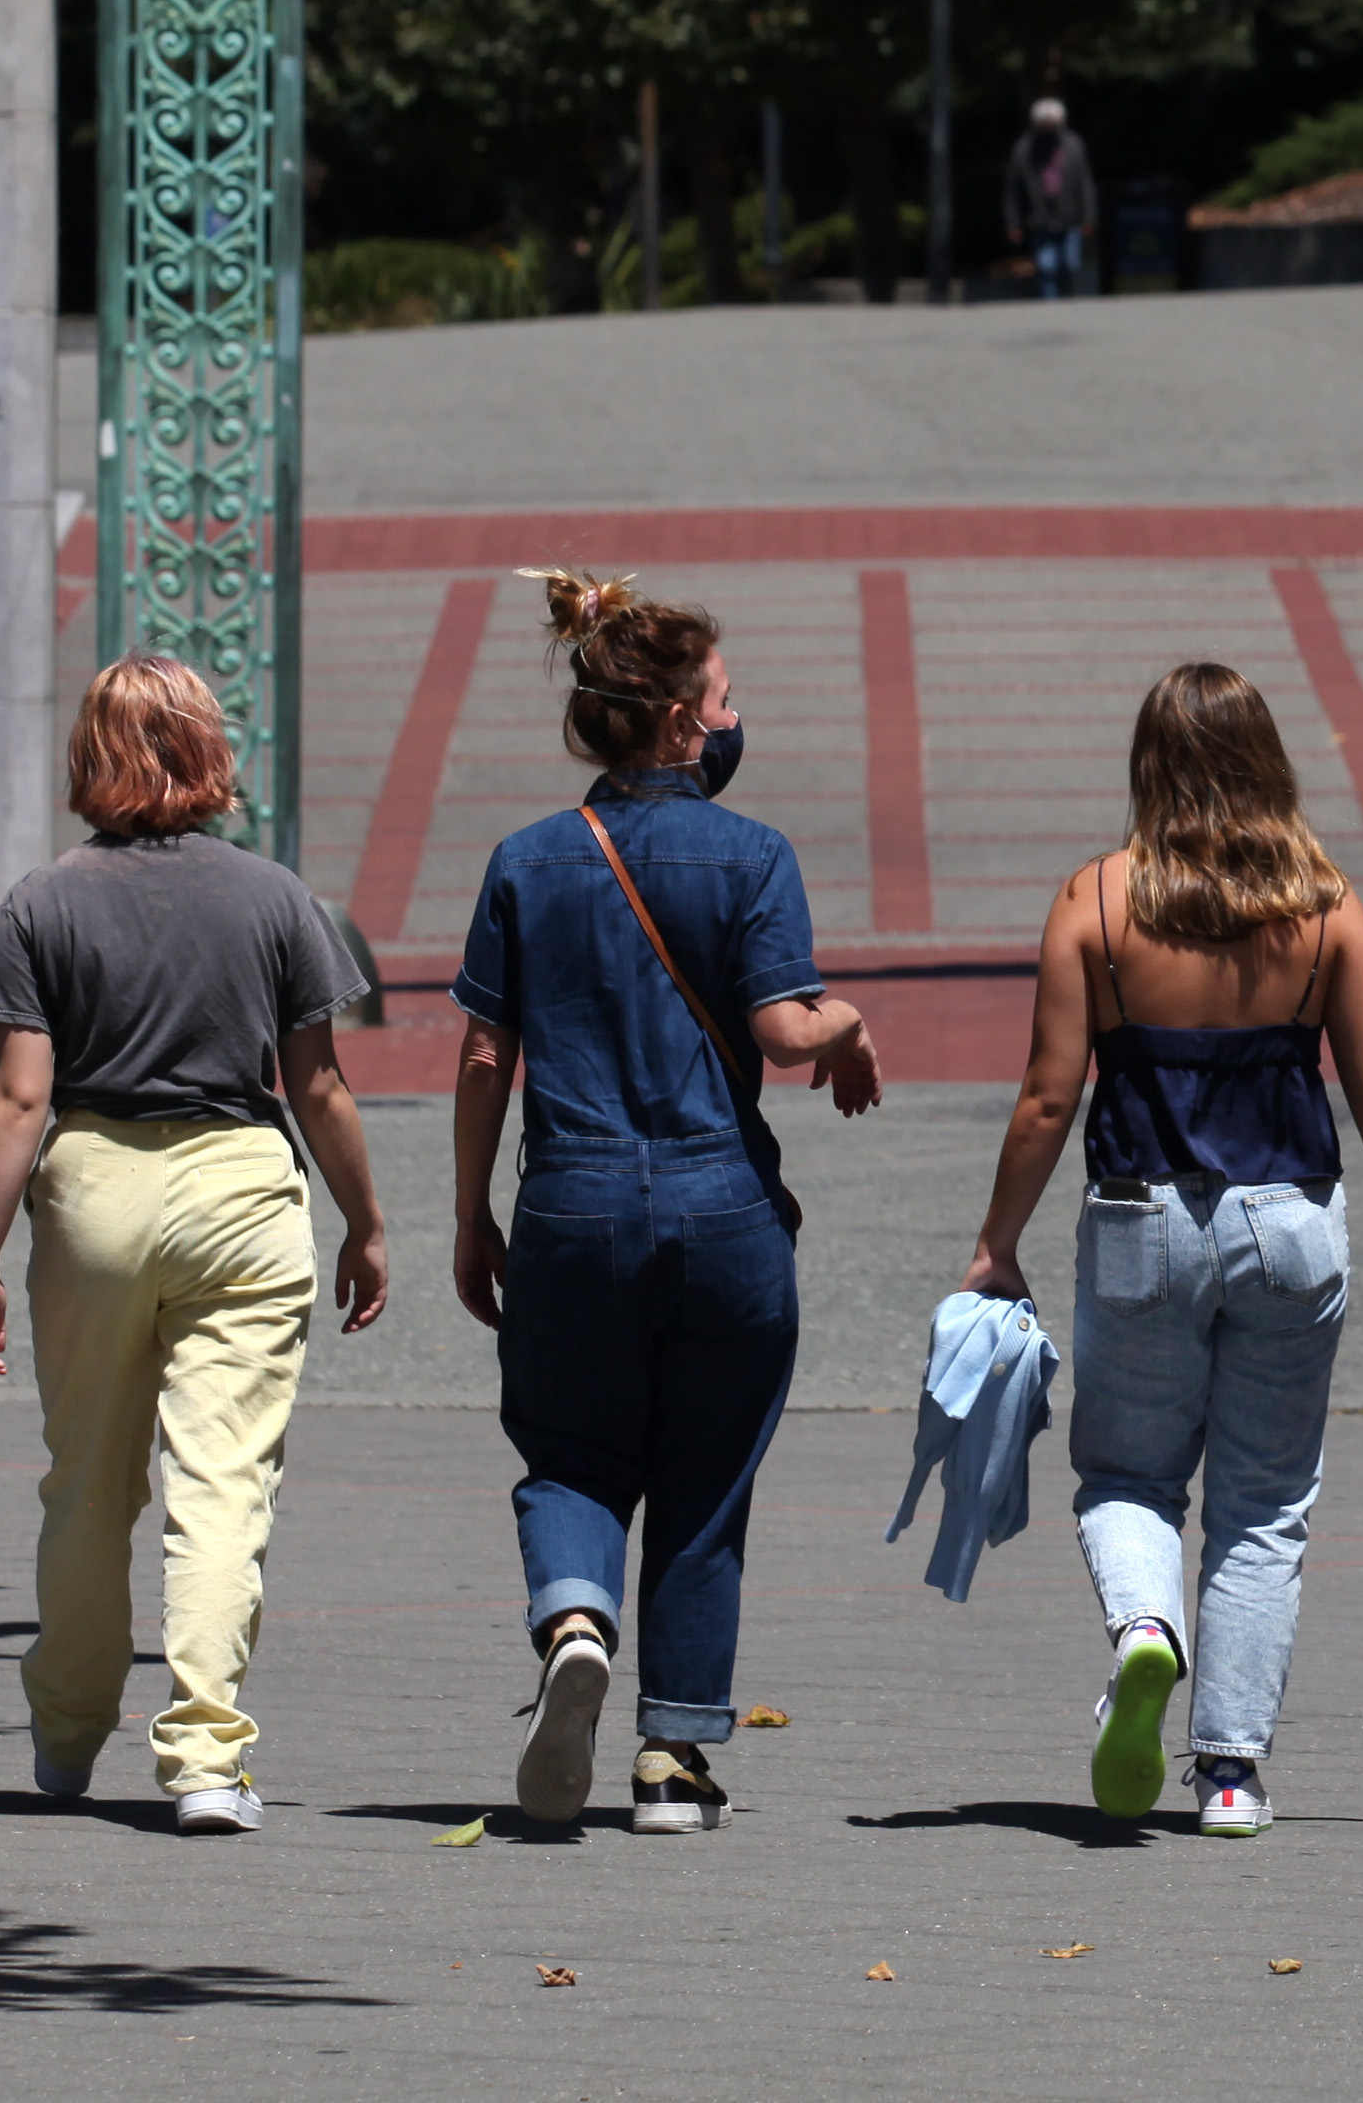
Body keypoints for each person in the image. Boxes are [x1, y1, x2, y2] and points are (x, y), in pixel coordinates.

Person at [961, 663, 1363, 1832]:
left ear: (1150, 766)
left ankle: (1146, 1631)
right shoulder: (1326, 906)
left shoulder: (1096, 901)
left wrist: (996, 1242)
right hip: (1291, 1223)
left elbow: (1046, 1096)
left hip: (1143, 1222)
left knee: (1130, 1475)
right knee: (1264, 1504)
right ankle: (1229, 1772)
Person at [448, 568, 887, 1835]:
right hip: (724, 1215)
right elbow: (781, 1028)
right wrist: (849, 1022)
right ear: (687, 723)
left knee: (569, 1451)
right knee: (706, 1485)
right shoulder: (753, 856)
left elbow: (486, 1053)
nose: (736, 718)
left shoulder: (527, 863)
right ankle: (673, 1765)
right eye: (728, 698)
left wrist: (473, 1212)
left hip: (573, 1204)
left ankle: (575, 1616)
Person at [0, 654, 389, 1836]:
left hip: (93, 1187)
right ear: (208, 753)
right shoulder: (274, 898)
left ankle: (65, 1728)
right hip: (241, 1188)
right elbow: (320, 1088)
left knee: (87, 1485)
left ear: (91, 759)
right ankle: (204, 1757)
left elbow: (17, 1097)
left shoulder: (42, 902)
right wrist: (366, 1220)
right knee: (221, 1488)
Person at [1005, 95, 1097, 300]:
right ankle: (1050, 308)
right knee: (1047, 267)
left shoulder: (1073, 144)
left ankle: (1069, 301)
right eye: (1044, 124)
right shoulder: (1023, 149)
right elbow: (1013, 190)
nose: (1048, 128)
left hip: (1070, 217)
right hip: (1039, 219)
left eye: (1052, 124)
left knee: (1070, 264)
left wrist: (1088, 216)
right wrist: (1014, 223)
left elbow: (1084, 183)